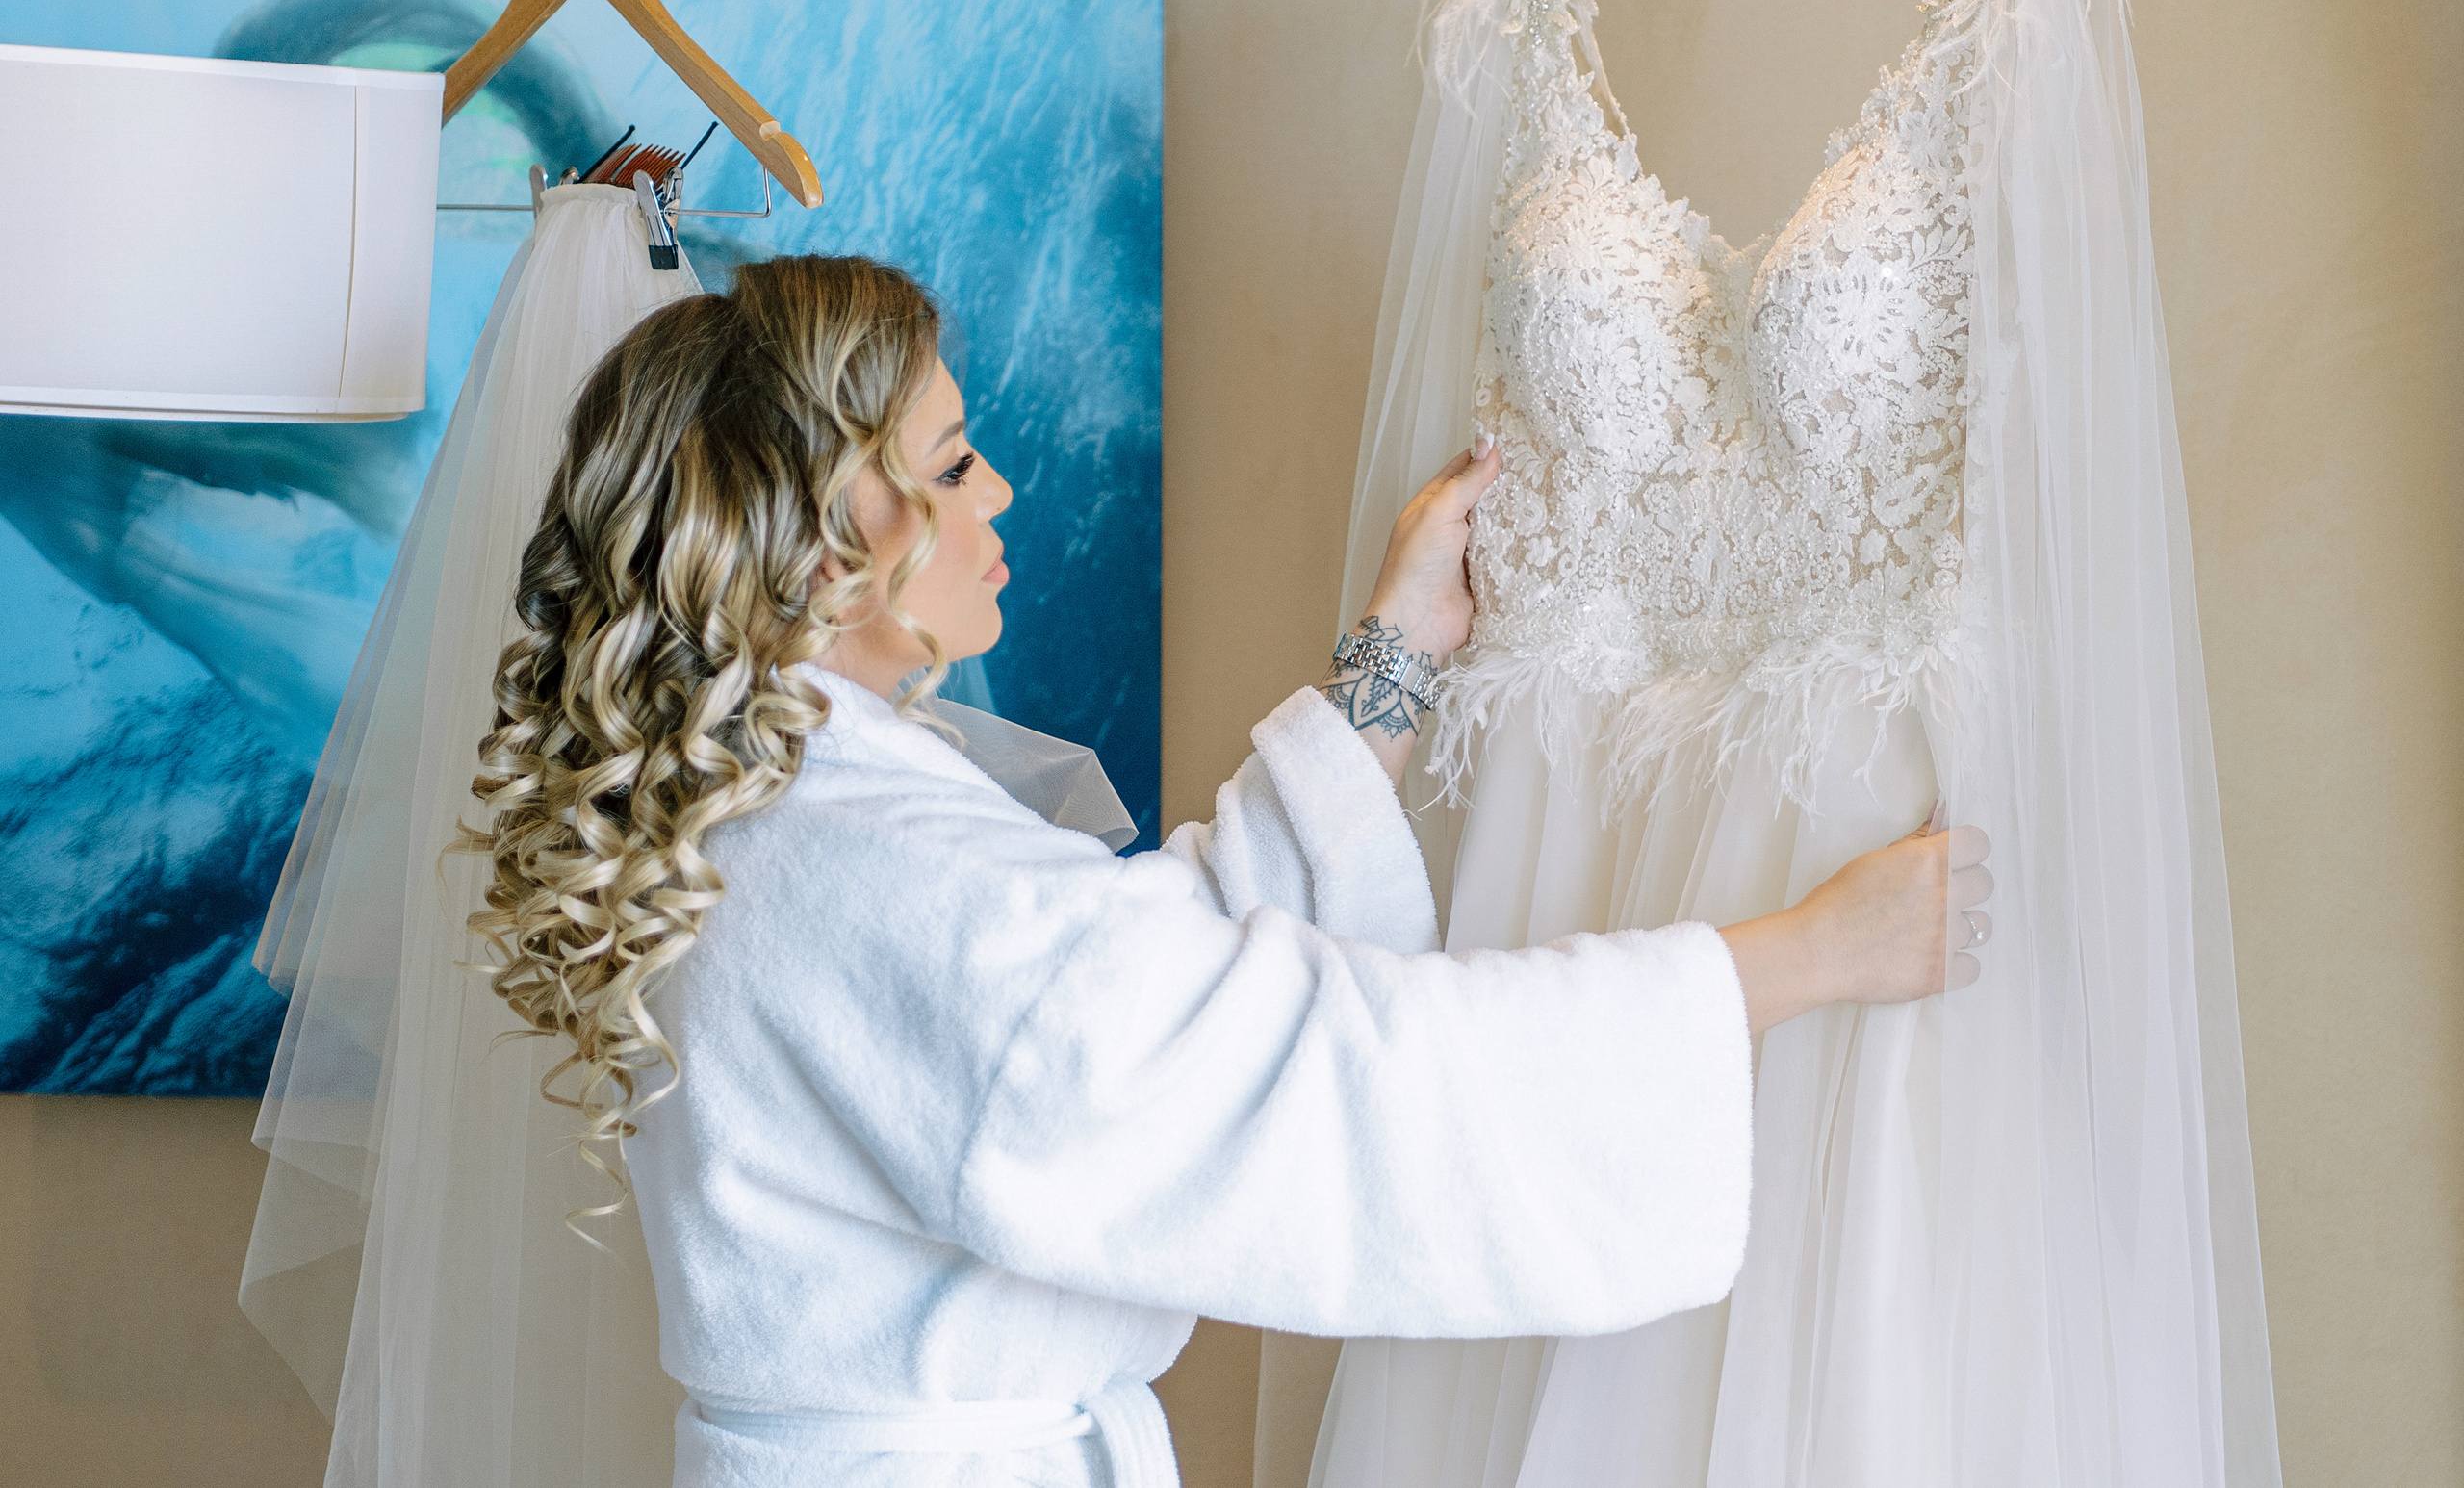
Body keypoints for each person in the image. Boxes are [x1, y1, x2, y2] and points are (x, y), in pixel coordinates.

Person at [455, 252, 1989, 1488]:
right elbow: (1318, 1081)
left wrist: (1396, 660)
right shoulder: (884, 865)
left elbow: (1138, 977)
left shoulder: (758, 796)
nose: (997, 497)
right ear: (816, 540)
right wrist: (1796, 957)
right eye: (956, 457)